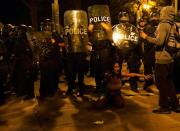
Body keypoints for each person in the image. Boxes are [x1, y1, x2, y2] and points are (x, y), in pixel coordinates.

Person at [140, 6, 180, 113]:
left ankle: (164, 107)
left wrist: (146, 37)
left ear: (164, 13)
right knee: (169, 82)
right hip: (170, 58)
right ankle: (176, 105)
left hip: (162, 58)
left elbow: (159, 41)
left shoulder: (163, 24)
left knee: (161, 83)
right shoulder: (172, 24)